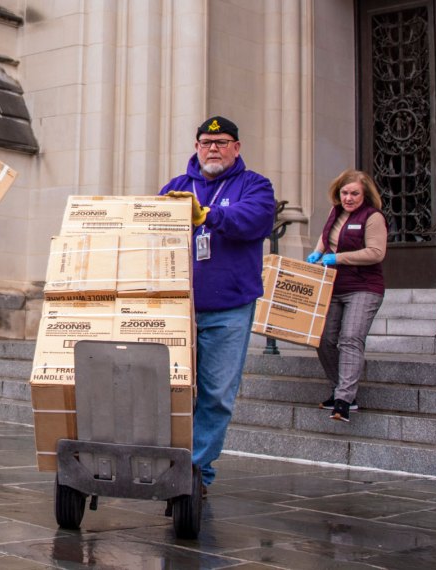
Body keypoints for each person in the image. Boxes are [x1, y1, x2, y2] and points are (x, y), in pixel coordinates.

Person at [159, 116, 275, 492]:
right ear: (196, 147)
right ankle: (179, 465)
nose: (213, 148)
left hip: (229, 308)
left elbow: (255, 219)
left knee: (216, 394)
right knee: (170, 390)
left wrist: (209, 215)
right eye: (206, 142)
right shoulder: (176, 187)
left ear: (236, 148)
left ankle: (194, 473)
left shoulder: (254, 185)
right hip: (175, 308)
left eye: (222, 142)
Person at [306, 169, 387, 422]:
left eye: (354, 193)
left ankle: (343, 399)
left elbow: (376, 252)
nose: (348, 198)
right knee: (322, 338)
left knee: (351, 337)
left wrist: (337, 257)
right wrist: (317, 252)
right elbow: (326, 236)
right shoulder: (335, 212)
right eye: (344, 192)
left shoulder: (372, 218)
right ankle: (340, 388)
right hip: (334, 286)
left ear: (365, 195)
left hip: (363, 287)